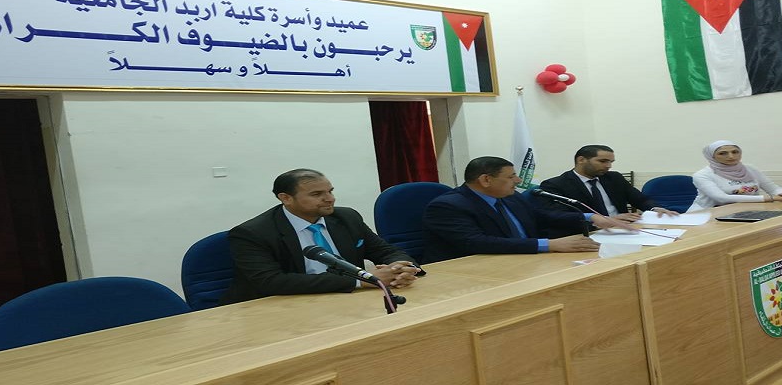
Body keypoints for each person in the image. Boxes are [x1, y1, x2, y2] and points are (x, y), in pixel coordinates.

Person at [221, 169, 422, 305]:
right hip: (283, 307)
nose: (330, 199)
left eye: (330, 191)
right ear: (286, 198)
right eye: (317, 194)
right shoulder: (252, 233)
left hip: (348, 301)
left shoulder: (346, 217)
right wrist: (361, 281)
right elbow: (272, 281)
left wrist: (398, 269)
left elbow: (386, 251)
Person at [422, 156, 632, 262]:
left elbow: (542, 216)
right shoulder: (448, 206)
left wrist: (591, 217)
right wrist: (549, 244)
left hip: (520, 260)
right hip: (471, 271)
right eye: (511, 176)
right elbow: (476, 242)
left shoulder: (511, 197)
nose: (519, 180)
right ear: (486, 180)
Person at [537, 145, 677, 237]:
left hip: (626, 229)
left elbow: (640, 199)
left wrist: (655, 208)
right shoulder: (555, 185)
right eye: (603, 161)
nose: (608, 166)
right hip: (591, 233)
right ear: (581, 160)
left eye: (611, 162)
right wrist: (603, 221)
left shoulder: (614, 178)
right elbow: (556, 216)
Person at [688, 140, 782, 211]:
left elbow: (774, 189)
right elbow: (722, 198)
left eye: (735, 152)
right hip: (706, 215)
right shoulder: (702, 175)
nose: (731, 156)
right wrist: (771, 198)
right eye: (723, 153)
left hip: (746, 211)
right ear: (712, 156)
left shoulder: (750, 169)